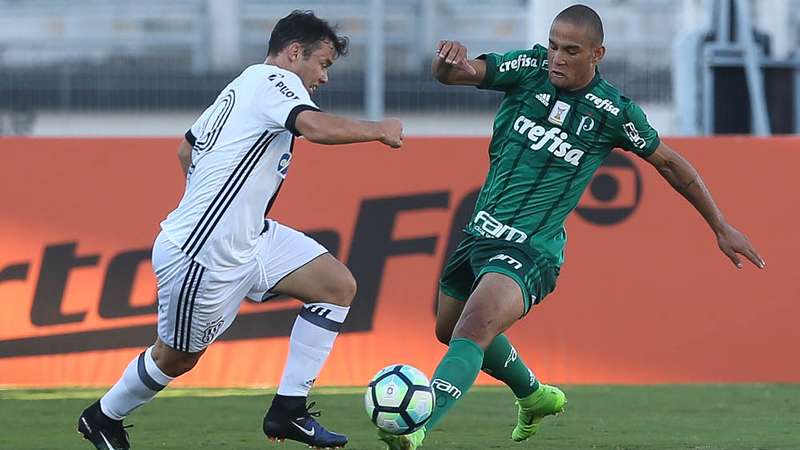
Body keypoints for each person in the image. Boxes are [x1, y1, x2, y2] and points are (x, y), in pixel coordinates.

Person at [379, 4, 764, 449]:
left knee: (471, 329)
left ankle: (416, 426)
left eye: (571, 50)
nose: (557, 58)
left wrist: (720, 225)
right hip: (479, 234)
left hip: (532, 250)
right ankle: (535, 395)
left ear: (597, 54)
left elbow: (672, 166)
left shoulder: (613, 113)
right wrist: (444, 63)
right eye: (553, 46)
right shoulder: (526, 69)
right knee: (449, 331)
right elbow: (453, 75)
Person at [77, 10, 402, 450]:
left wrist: (216, 203)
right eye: (322, 64)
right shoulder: (275, 83)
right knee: (176, 359)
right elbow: (315, 127)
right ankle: (102, 417)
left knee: (336, 286)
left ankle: (289, 410)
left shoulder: (242, 86)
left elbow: (184, 149)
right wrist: (379, 129)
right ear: (294, 53)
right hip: (202, 254)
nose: (324, 78)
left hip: (249, 237)